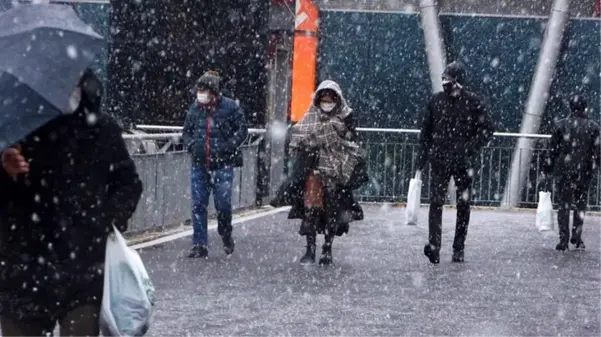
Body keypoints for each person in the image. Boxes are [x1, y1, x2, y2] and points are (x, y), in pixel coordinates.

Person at [0, 69, 143, 336]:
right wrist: (5, 169)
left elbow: (129, 184)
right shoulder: (14, 132)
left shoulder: (102, 131)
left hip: (80, 268)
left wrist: (103, 220)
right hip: (22, 267)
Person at [271, 80, 367, 266]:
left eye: (330, 99)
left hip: (337, 170)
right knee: (311, 208)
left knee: (333, 208)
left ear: (337, 100)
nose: (327, 102)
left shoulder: (346, 116)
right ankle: (310, 249)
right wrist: (313, 142)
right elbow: (299, 134)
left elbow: (353, 141)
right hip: (313, 168)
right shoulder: (311, 115)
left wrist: (334, 142)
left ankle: (328, 248)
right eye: (323, 99)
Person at [416, 61, 495, 264]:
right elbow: (425, 132)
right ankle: (435, 246)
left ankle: (457, 246)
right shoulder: (437, 101)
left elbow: (487, 128)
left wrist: (469, 148)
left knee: (461, 204)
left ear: (458, 82)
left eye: (448, 80)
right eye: (444, 79)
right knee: (437, 202)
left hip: (460, 161)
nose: (444, 83)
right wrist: (422, 158)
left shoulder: (472, 102)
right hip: (442, 159)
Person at [182, 70, 248, 258]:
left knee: (223, 204)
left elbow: (242, 129)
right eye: (199, 89)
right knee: (198, 204)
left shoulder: (229, 107)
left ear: (213, 91)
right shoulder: (195, 109)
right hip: (199, 164)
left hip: (223, 165)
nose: (200, 93)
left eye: (204, 89)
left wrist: (229, 146)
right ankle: (199, 244)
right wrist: (192, 145)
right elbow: (186, 132)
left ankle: (225, 231)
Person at [542, 95, 601, 251]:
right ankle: (577, 236)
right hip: (584, 171)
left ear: (570, 107)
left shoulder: (561, 125)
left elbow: (552, 150)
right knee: (580, 205)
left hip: (564, 171)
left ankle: (563, 240)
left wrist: (547, 167)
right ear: (584, 107)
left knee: (564, 205)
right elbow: (598, 152)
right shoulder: (593, 127)